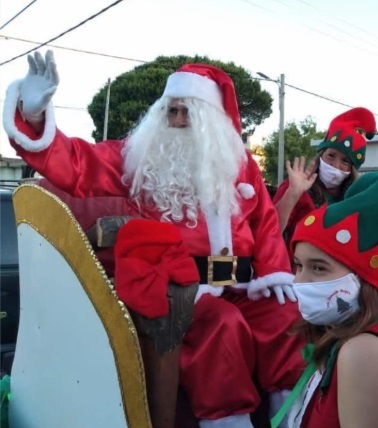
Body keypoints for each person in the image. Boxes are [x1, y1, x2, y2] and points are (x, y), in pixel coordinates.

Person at [3, 50, 306, 427]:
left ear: (210, 120)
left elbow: (263, 225)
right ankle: (229, 420)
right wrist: (33, 117)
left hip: (244, 287)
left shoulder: (238, 164)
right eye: (171, 111)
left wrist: (276, 273)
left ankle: (292, 415)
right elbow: (77, 163)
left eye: (188, 112)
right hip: (182, 291)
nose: (178, 121)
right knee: (222, 326)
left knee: (287, 318)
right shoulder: (139, 160)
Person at [284, 171, 378, 427]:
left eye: (318, 268)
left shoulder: (361, 350)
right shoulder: (338, 335)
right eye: (298, 266)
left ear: (364, 278)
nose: (299, 283)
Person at [272, 107, 376, 264]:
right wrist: (292, 195)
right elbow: (269, 234)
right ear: (321, 156)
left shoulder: (356, 199)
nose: (336, 165)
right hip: (293, 278)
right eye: (331, 156)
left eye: (345, 161)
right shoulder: (295, 188)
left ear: (352, 168)